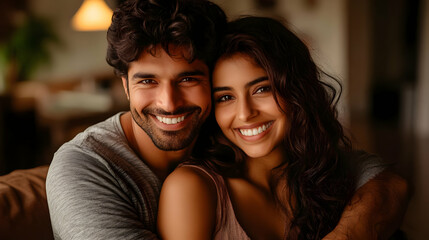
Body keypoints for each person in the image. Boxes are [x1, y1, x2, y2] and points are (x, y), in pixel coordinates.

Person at [46, 0, 407, 239]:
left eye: (188, 79)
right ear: (124, 86)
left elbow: (384, 181)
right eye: (147, 81)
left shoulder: (224, 129)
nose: (169, 103)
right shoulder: (84, 167)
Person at [157, 16, 409, 240]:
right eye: (225, 97)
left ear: (297, 91)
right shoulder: (191, 188)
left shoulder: (324, 174)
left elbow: (395, 186)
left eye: (262, 89)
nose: (245, 113)